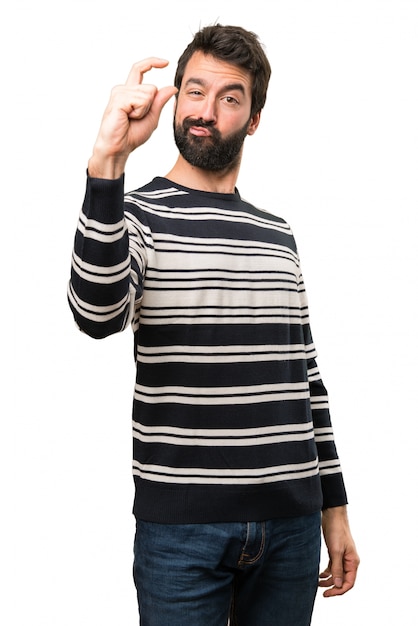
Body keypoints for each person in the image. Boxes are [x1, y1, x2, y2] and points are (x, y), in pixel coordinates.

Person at [68, 23, 359, 626]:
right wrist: (107, 160)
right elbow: (95, 314)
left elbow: (306, 380)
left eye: (230, 98)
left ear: (253, 119)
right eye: (194, 91)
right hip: (183, 532)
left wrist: (335, 511)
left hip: (291, 529)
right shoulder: (136, 215)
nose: (206, 111)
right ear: (174, 97)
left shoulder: (279, 235)